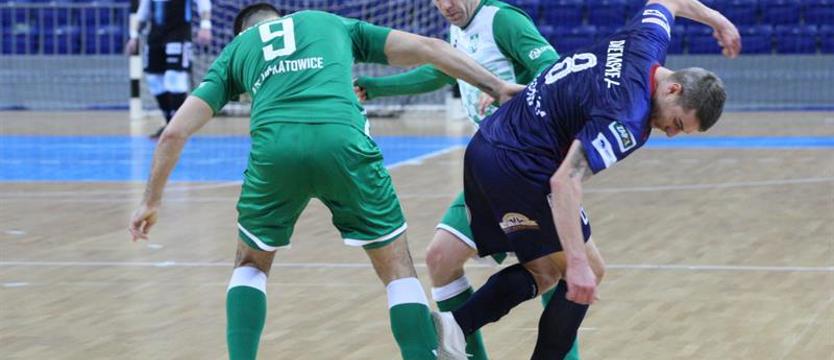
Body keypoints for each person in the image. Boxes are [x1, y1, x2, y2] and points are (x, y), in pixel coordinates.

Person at [127, 3, 523, 360]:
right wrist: (498, 86)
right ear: (283, 21)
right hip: (345, 146)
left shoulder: (237, 53)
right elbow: (429, 48)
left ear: (245, 33)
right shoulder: (328, 22)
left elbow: (173, 134)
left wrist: (150, 201)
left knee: (250, 264)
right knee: (398, 271)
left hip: (275, 154)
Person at [430, 0, 742, 359]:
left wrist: (719, 22)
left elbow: (667, 2)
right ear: (673, 90)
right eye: (677, 123)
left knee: (545, 271)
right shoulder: (627, 116)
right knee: (583, 272)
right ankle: (456, 327)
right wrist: (576, 264)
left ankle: (454, 327)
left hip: (488, 144)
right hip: (518, 165)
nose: (671, 134)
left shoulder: (647, 43)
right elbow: (566, 181)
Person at [354, 1, 578, 358]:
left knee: (556, 269)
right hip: (493, 169)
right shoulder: (458, 29)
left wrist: (514, 96)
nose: (445, 5)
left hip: (532, 166)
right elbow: (441, 73)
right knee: (441, 259)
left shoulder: (503, 20)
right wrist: (379, 88)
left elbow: (556, 72)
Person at [126, 0, 213, 138]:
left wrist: (205, 25)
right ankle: (170, 124)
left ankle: (179, 126)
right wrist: (134, 36)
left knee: (174, 77)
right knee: (154, 79)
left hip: (178, 34)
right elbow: (142, 13)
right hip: (155, 35)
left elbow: (204, 3)